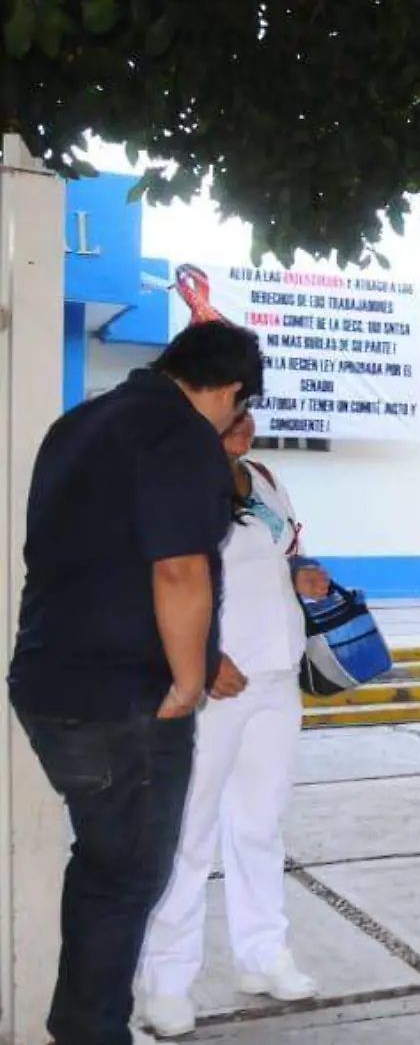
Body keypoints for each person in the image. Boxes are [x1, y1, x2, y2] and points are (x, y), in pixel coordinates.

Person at [8, 319, 263, 1045]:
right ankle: (91, 1029)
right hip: (126, 697)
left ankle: (80, 1021)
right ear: (230, 390)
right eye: (238, 409)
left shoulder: (81, 421)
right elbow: (179, 568)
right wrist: (188, 680)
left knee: (104, 864)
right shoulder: (179, 434)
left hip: (50, 680)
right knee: (127, 877)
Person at [137, 412, 334, 1037]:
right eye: (232, 413)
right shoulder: (175, 485)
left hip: (276, 675)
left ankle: (263, 954)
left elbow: (285, 553)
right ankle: (165, 982)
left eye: (249, 413)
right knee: (189, 831)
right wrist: (198, 656)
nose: (244, 425)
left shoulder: (266, 478)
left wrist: (303, 572)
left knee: (259, 824)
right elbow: (157, 579)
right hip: (212, 684)